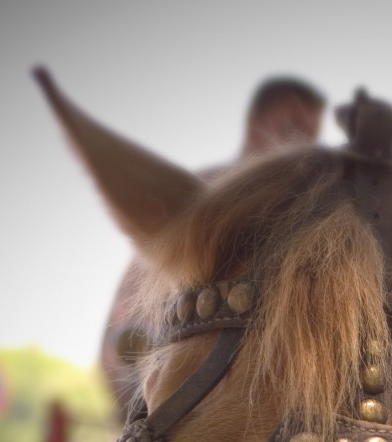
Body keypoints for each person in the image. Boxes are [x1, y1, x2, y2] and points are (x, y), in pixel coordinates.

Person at [99, 77, 326, 416]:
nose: (302, 147)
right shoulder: (196, 196)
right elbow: (130, 319)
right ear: (255, 126)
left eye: (310, 135)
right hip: (175, 392)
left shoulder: (313, 211)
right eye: (291, 129)